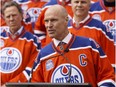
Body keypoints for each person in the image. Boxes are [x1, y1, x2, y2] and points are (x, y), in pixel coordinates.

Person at [31, 5, 115, 87]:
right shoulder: (43, 55)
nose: (49, 25)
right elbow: (35, 83)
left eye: (53, 20)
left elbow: (107, 77)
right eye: (46, 21)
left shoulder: (89, 45)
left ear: (66, 20)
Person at [0, 1, 41, 86]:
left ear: (22, 15)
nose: (11, 19)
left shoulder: (33, 41)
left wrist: (10, 85)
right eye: (8, 16)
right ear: (4, 18)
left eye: (14, 15)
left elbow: (32, 69)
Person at [68, 0, 115, 71]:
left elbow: (111, 59)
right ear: (71, 4)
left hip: (95, 76)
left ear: (89, 5)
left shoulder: (101, 28)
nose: (79, 5)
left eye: (83, 2)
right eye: (76, 2)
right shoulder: (64, 28)